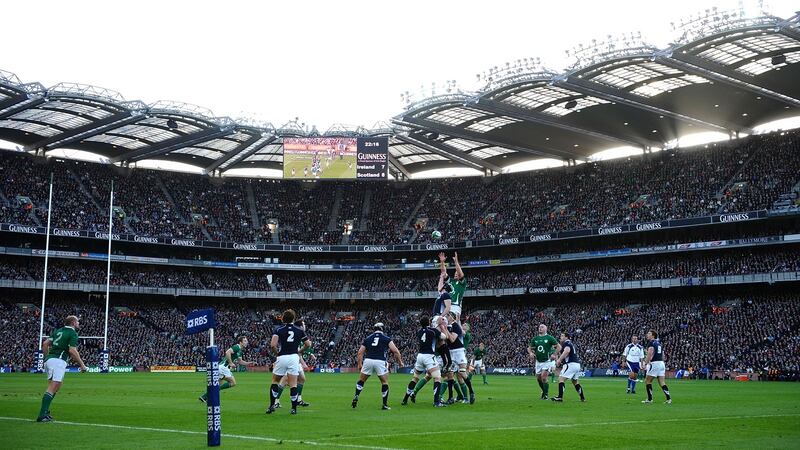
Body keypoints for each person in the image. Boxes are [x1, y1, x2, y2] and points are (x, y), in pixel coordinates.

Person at [37, 315, 88, 422]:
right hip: (58, 361)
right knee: (53, 387)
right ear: (73, 323)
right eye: (77, 322)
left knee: (56, 385)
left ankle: (45, 412)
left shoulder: (58, 331)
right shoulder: (73, 333)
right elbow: (72, 351)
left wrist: (47, 358)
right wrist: (82, 365)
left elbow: (45, 344)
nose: (78, 323)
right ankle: (42, 415)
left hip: (50, 360)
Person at [266, 310, 311, 415]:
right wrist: (300, 351)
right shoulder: (299, 330)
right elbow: (308, 344)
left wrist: (277, 353)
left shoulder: (279, 330)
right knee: (293, 384)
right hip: (294, 357)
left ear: (283, 318)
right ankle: (294, 409)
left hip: (282, 356)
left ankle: (272, 406)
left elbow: (273, 345)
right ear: (293, 319)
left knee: (275, 381)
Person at [352, 323, 403, 410]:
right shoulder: (386, 339)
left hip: (368, 360)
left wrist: (359, 364)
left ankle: (356, 395)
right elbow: (395, 351)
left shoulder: (368, 338)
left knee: (361, 380)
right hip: (380, 361)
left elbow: (360, 352)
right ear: (383, 329)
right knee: (384, 382)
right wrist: (400, 362)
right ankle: (384, 404)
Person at [402, 315, 447, 407]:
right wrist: (442, 328)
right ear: (429, 323)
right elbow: (444, 337)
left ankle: (405, 399)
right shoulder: (433, 331)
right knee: (437, 378)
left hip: (420, 356)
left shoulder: (419, 332)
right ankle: (436, 402)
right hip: (429, 356)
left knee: (415, 378)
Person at [199, 335, 254, 403]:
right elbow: (227, 352)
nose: (247, 342)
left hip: (221, 367)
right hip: (224, 368)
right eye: (245, 341)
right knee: (233, 383)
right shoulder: (237, 347)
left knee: (218, 385)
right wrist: (230, 363)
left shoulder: (240, 351)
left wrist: (250, 363)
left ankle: (204, 397)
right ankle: (211, 394)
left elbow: (240, 361)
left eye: (247, 341)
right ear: (240, 342)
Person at [274, 320, 313, 408]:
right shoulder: (298, 333)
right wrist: (304, 364)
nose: (305, 325)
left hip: (294, 360)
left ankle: (298, 399)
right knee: (285, 380)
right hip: (291, 360)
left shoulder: (299, 333)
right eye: (303, 324)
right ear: (300, 326)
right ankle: (276, 401)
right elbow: (298, 352)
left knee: (302, 379)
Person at [445, 313, 474, 404]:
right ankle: (451, 397)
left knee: (462, 373)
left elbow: (453, 339)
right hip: (451, 352)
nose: (446, 317)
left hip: (459, 351)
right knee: (450, 374)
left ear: (452, 317)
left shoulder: (456, 327)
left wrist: (444, 329)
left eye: (448, 315)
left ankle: (471, 392)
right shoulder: (447, 326)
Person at [528, 324, 560, 400]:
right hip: (538, 361)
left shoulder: (549, 338)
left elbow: (559, 347)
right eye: (539, 327)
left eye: (542, 327)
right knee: (538, 378)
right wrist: (531, 353)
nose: (540, 328)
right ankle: (544, 391)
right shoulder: (535, 339)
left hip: (547, 361)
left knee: (544, 377)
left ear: (546, 329)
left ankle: (545, 395)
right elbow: (529, 348)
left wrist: (554, 354)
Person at [552, 332, 585, 403]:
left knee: (561, 379)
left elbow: (567, 351)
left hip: (570, 364)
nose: (560, 337)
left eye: (562, 336)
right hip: (577, 365)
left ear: (566, 337)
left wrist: (559, 360)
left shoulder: (566, 343)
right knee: (575, 382)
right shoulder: (570, 343)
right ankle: (582, 398)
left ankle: (560, 397)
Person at [642, 329, 672, 405]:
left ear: (653, 335)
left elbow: (649, 353)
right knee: (662, 382)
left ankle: (649, 399)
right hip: (661, 363)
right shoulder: (658, 343)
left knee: (648, 381)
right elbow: (663, 355)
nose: (647, 335)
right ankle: (669, 399)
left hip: (655, 363)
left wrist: (645, 363)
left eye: (649, 333)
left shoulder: (651, 343)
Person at [448, 252, 466, 321]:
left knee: (452, 322)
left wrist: (456, 262)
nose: (456, 274)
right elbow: (444, 273)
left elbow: (461, 273)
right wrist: (442, 262)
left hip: (455, 307)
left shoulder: (462, 283)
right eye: (455, 273)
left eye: (457, 274)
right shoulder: (451, 281)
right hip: (448, 306)